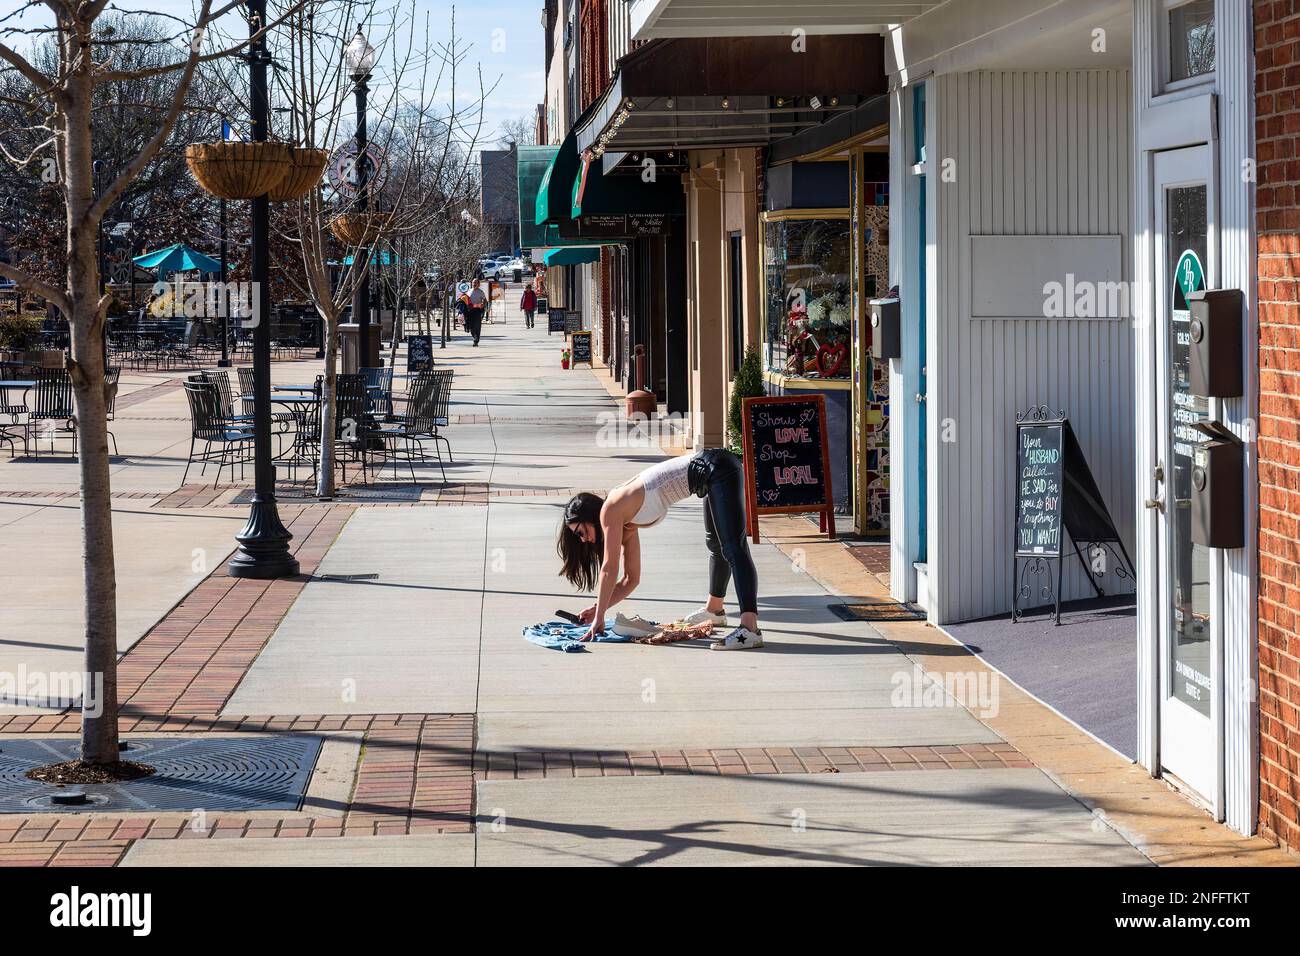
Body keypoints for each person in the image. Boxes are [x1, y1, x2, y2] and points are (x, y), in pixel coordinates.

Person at [556, 450, 762, 650]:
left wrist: (599, 618)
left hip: (717, 467)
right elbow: (630, 579)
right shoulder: (626, 522)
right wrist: (597, 609)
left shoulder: (610, 511)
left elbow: (609, 569)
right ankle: (714, 610)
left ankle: (749, 628)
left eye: (581, 532)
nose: (583, 540)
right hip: (710, 476)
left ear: (590, 516)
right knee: (716, 546)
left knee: (733, 547)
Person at [465, 278, 487, 346]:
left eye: (475, 283)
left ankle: (476, 340)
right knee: (471, 326)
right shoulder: (469, 291)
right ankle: (474, 336)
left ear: (478, 284)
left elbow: (485, 300)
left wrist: (483, 305)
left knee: (477, 325)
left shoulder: (480, 292)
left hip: (477, 310)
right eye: (473, 283)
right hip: (470, 310)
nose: (474, 284)